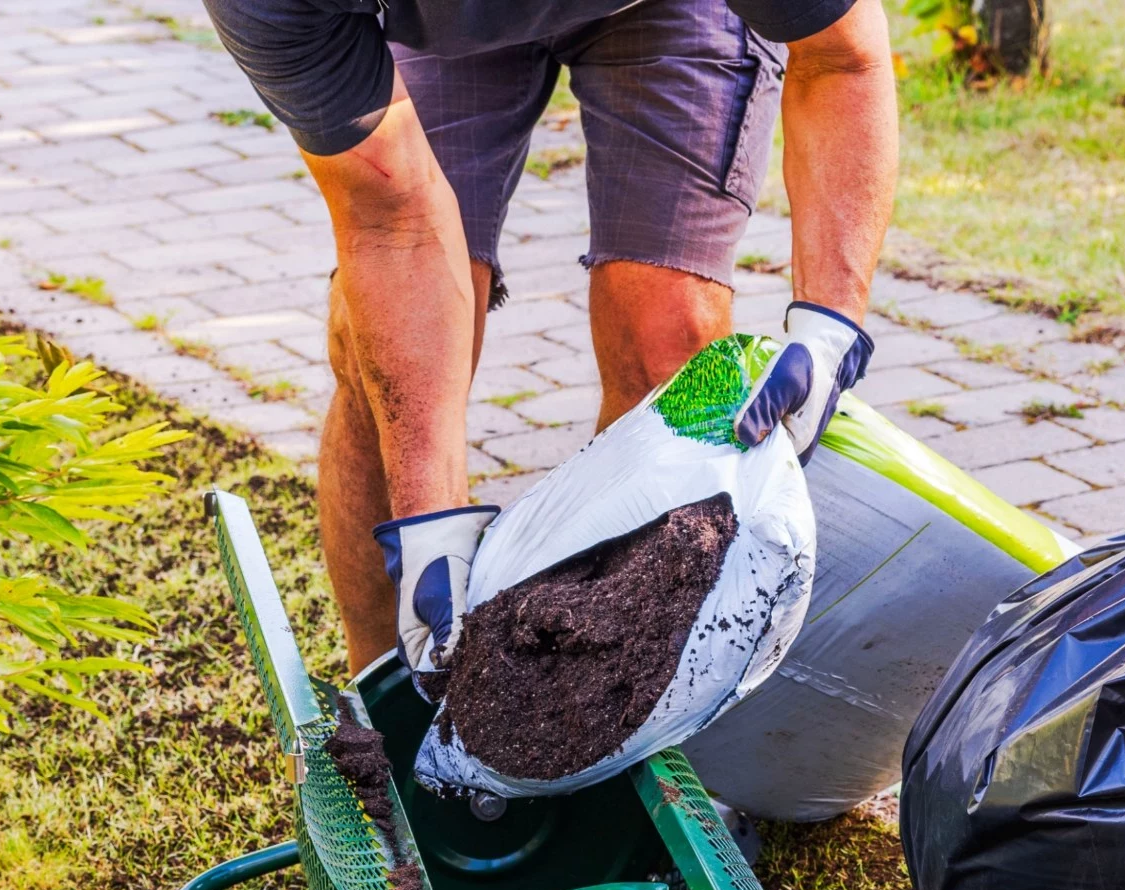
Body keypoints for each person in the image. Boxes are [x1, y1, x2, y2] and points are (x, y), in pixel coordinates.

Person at [204, 0, 899, 677]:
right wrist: (429, 522)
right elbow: (394, 223)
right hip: (449, 26)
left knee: (668, 341)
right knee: (380, 372)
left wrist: (829, 323)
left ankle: (604, 701)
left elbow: (840, 55)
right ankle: (388, 702)